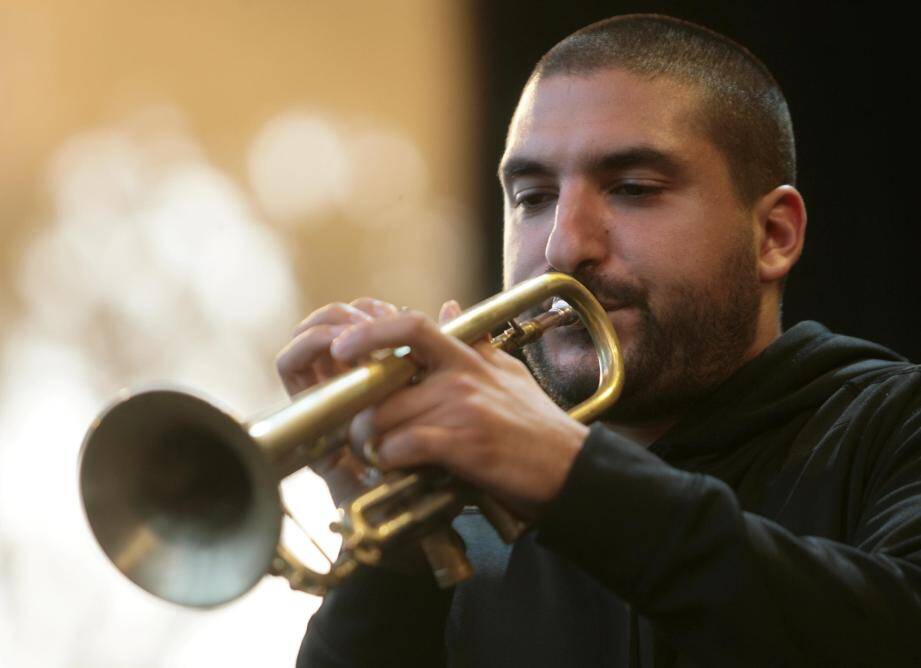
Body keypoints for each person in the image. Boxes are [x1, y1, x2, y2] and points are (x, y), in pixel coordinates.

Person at [276, 14, 921, 667]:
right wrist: (390, 572)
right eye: (532, 197)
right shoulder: (465, 520)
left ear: (773, 235)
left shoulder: (894, 426)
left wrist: (568, 476)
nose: (562, 246)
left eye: (633, 190)